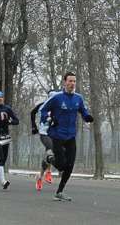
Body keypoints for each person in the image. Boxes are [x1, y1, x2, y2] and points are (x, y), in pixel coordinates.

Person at [40, 72, 93, 201]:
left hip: (70, 136)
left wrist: (87, 117)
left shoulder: (78, 98)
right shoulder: (57, 97)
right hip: (57, 135)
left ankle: (59, 192)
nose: (72, 84)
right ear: (65, 82)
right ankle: (49, 159)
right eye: (70, 81)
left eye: (74, 81)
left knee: (70, 166)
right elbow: (43, 110)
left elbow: (83, 111)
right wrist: (49, 118)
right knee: (62, 165)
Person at [31, 90, 59, 191]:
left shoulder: (58, 108)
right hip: (44, 133)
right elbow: (33, 113)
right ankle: (48, 172)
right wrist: (34, 126)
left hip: (55, 133)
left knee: (49, 154)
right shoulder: (43, 106)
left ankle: (40, 176)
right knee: (50, 149)